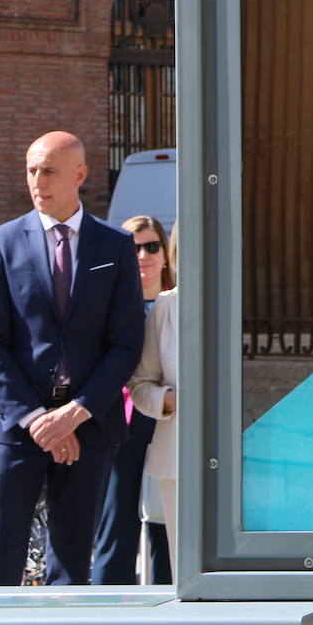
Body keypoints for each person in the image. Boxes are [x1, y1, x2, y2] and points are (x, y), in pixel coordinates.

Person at [0, 131, 144, 586]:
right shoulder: (0, 242)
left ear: (80, 175)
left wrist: (75, 413)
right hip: (14, 429)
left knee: (71, 566)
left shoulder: (115, 245)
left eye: (48, 170)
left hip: (89, 427)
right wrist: (38, 420)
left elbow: (125, 343)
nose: (36, 180)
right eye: (31, 170)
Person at [91, 214, 174, 586]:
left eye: (152, 246)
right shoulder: (108, 300)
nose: (143, 255)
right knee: (118, 517)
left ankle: (169, 599)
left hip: (170, 419)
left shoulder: (178, 302)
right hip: (121, 419)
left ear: (165, 253)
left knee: (165, 520)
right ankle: (109, 608)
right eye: (134, 247)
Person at [129, 221, 181, 575]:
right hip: (178, 456)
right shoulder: (167, 306)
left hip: (247, 455)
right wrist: (169, 400)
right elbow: (140, 384)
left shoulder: (244, 302)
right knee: (185, 571)